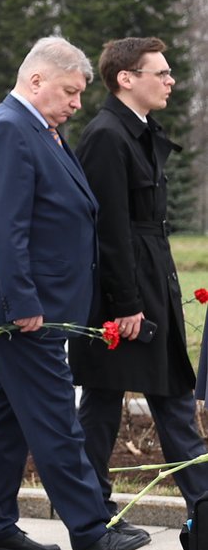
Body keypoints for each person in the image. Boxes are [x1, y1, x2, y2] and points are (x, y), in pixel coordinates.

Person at [0, 36, 148, 550]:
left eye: (81, 93)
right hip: (21, 310)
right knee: (54, 416)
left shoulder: (40, 132)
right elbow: (3, 229)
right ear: (36, 79)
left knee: (9, 416)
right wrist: (23, 303)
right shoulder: (8, 131)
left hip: (40, 305)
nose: (77, 103)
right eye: (70, 91)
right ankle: (91, 529)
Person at [72, 38, 208, 510]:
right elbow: (108, 228)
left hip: (152, 278)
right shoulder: (107, 136)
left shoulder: (142, 130)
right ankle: (91, 511)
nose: (170, 80)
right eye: (161, 73)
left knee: (170, 393)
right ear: (127, 79)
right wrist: (125, 303)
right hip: (125, 293)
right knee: (104, 401)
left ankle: (202, 501)